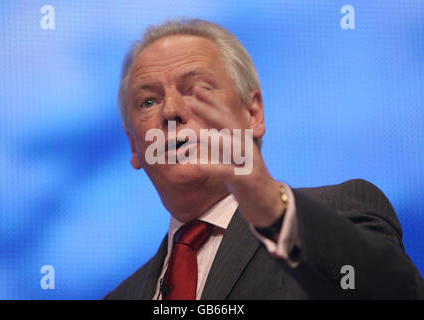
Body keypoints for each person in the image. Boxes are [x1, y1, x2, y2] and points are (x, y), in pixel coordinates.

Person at [104, 19, 423, 299]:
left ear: (252, 113)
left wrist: (274, 211)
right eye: (148, 101)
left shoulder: (337, 212)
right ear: (133, 144)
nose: (170, 111)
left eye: (197, 90)